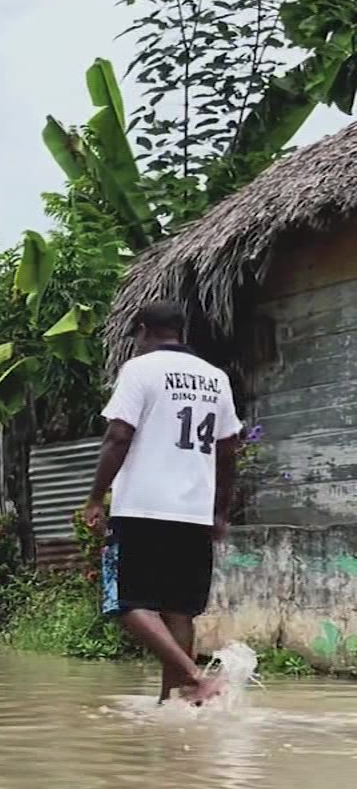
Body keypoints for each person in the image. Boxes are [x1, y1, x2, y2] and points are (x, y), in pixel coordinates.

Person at [82, 301, 239, 707]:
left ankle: (192, 677)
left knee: (125, 602)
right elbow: (228, 450)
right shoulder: (215, 378)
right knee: (178, 610)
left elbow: (118, 436)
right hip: (193, 512)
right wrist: (220, 511)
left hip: (143, 509)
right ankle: (176, 705)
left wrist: (96, 496)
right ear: (180, 331)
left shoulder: (140, 370)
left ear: (142, 329)